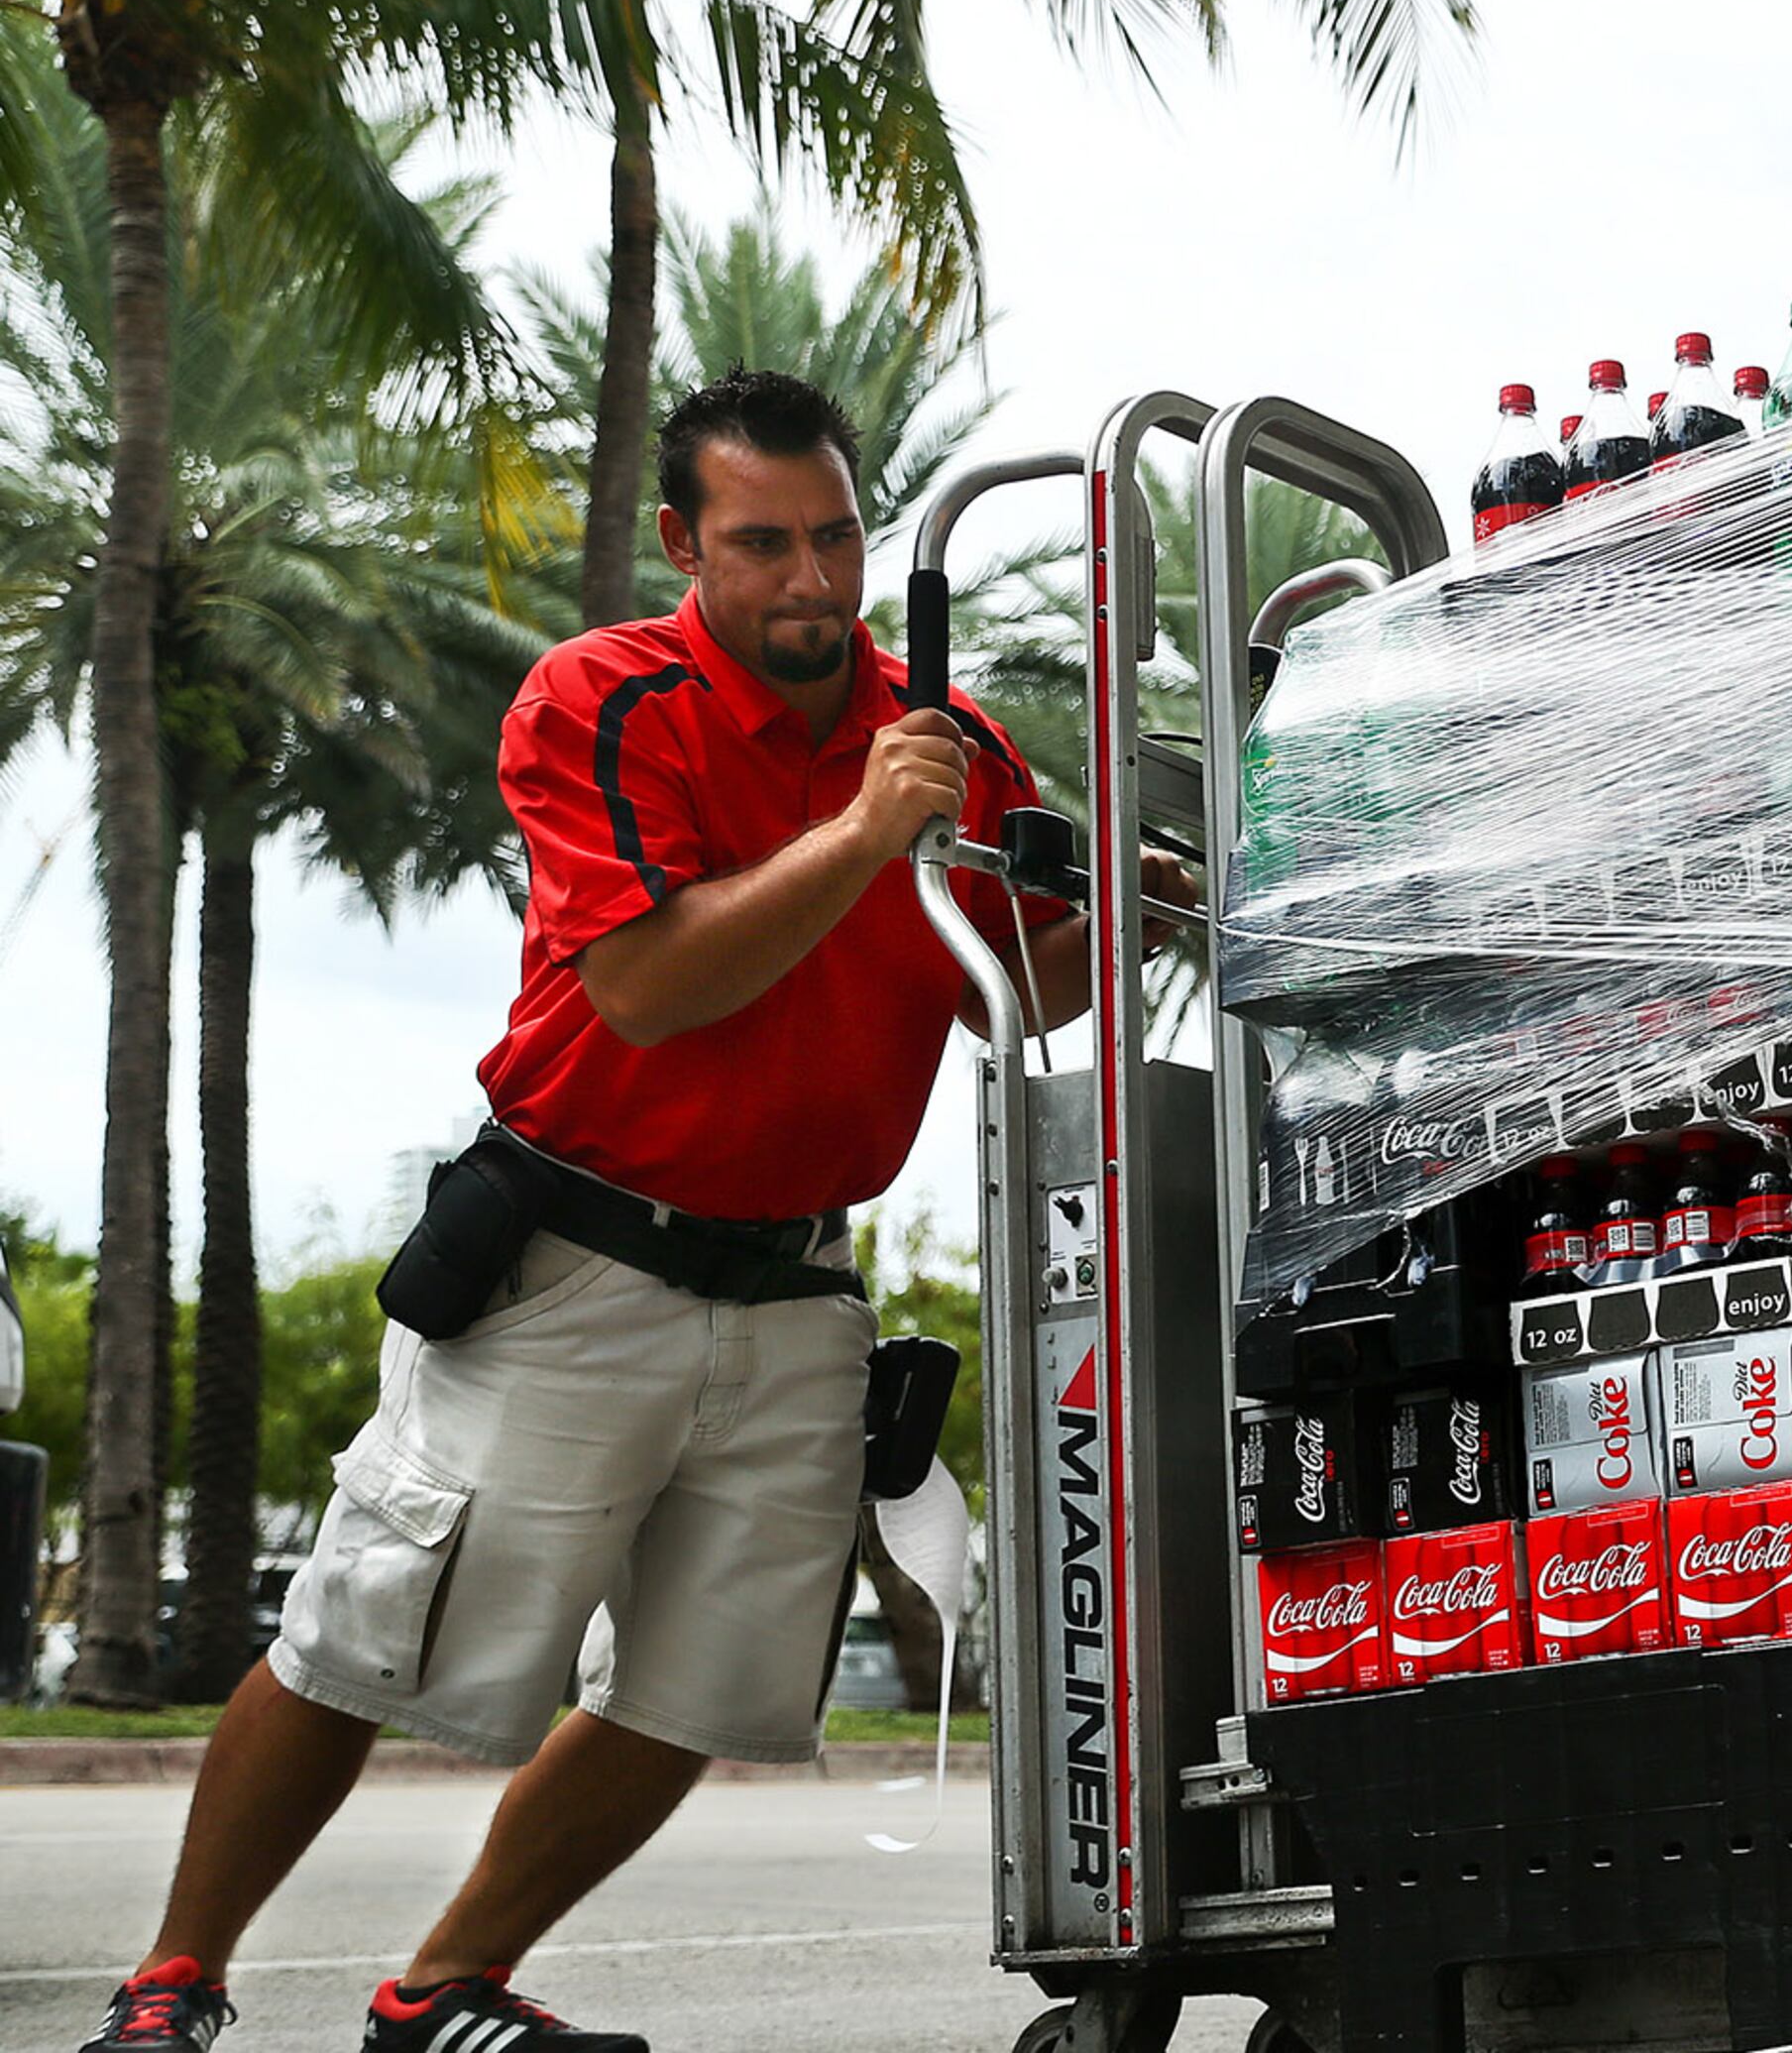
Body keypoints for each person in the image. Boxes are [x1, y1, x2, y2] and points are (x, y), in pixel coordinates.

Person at [76, 372, 1181, 2053]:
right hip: (575, 1259)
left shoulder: (940, 725)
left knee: (708, 1691)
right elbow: (655, 986)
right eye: (763, 546)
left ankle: (441, 1988)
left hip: (799, 1283)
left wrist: (1131, 924)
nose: (811, 581)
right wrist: (867, 830)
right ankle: (173, 1987)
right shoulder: (603, 700)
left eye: (836, 537)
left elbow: (996, 1000)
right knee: (362, 1637)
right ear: (685, 542)